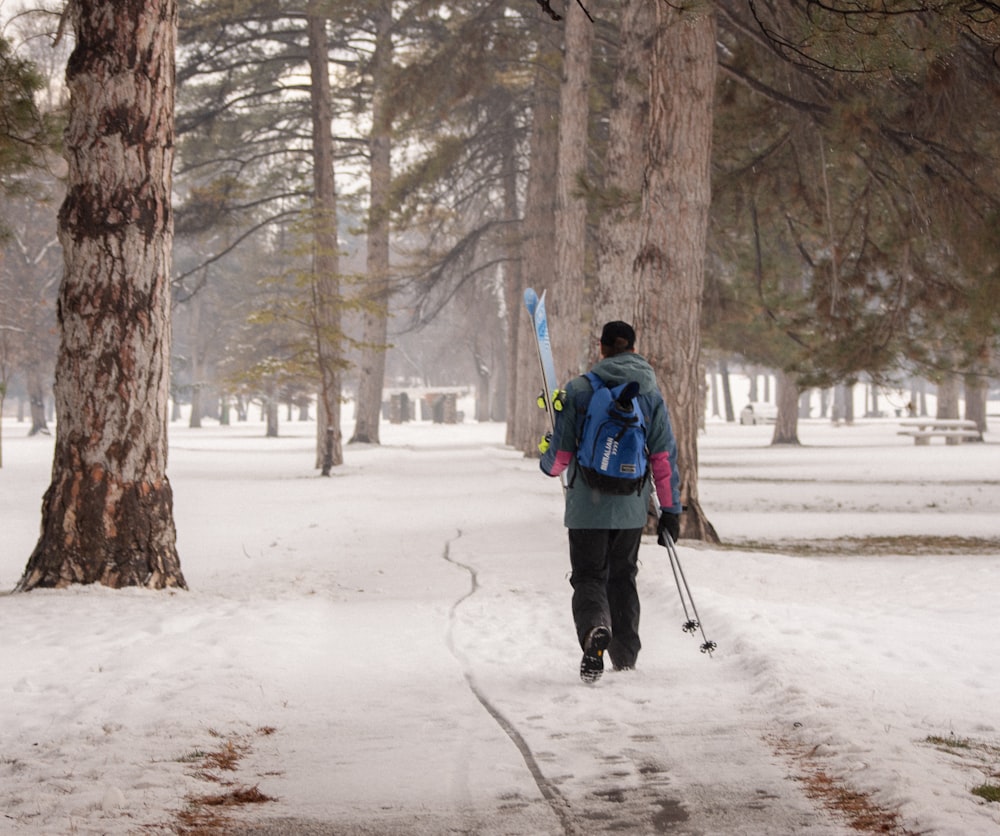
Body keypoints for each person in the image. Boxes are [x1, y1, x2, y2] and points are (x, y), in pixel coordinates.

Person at [539, 321, 682, 683]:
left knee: (589, 577)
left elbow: (560, 459)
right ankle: (625, 655)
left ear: (600, 348)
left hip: (587, 506)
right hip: (631, 508)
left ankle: (593, 631)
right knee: (623, 577)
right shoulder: (649, 393)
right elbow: (663, 457)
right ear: (633, 347)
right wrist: (671, 510)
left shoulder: (580, 390)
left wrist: (546, 458)